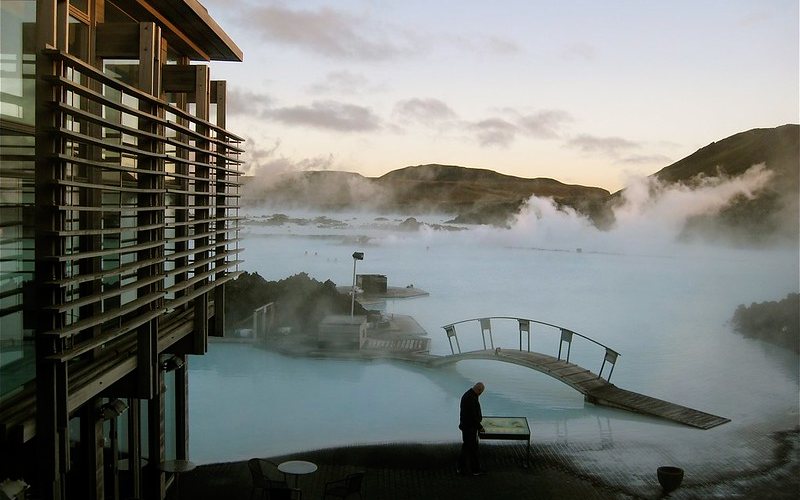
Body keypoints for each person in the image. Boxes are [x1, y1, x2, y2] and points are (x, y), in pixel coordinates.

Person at [457, 382, 486, 475]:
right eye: (481, 392)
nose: (480, 394)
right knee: (472, 449)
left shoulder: (470, 395)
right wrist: (480, 427)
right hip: (469, 428)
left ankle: (462, 468)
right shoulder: (470, 398)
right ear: (479, 390)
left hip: (467, 426)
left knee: (467, 448)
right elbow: (472, 416)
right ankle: (474, 470)